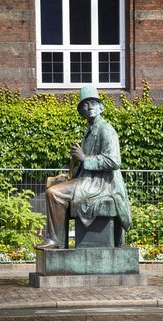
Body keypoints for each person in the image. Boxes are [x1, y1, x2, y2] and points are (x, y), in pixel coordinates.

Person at [36, 85, 131, 249]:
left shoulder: (106, 129)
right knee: (53, 186)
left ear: (101, 107)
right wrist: (75, 163)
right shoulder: (88, 133)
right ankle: (58, 241)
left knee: (54, 193)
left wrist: (84, 158)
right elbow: (84, 162)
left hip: (102, 184)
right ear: (81, 112)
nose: (89, 108)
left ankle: (54, 241)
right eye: (85, 106)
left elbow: (114, 161)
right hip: (88, 180)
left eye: (93, 103)